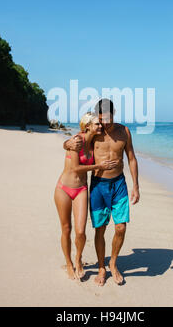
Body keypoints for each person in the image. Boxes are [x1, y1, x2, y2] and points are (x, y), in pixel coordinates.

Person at [63, 99, 140, 286]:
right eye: (101, 119)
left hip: (119, 183)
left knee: (121, 227)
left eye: (108, 118)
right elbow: (73, 141)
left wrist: (136, 186)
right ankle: (101, 267)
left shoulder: (124, 132)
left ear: (114, 114)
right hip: (98, 185)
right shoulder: (95, 132)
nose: (104, 123)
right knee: (101, 228)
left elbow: (131, 158)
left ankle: (113, 263)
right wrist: (66, 144)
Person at [54, 112, 119, 281]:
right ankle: (69, 263)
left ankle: (78, 258)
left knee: (81, 231)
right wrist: (99, 165)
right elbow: (75, 168)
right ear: (88, 125)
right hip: (64, 189)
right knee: (66, 229)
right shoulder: (77, 140)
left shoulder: (94, 143)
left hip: (81, 189)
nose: (100, 126)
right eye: (97, 124)